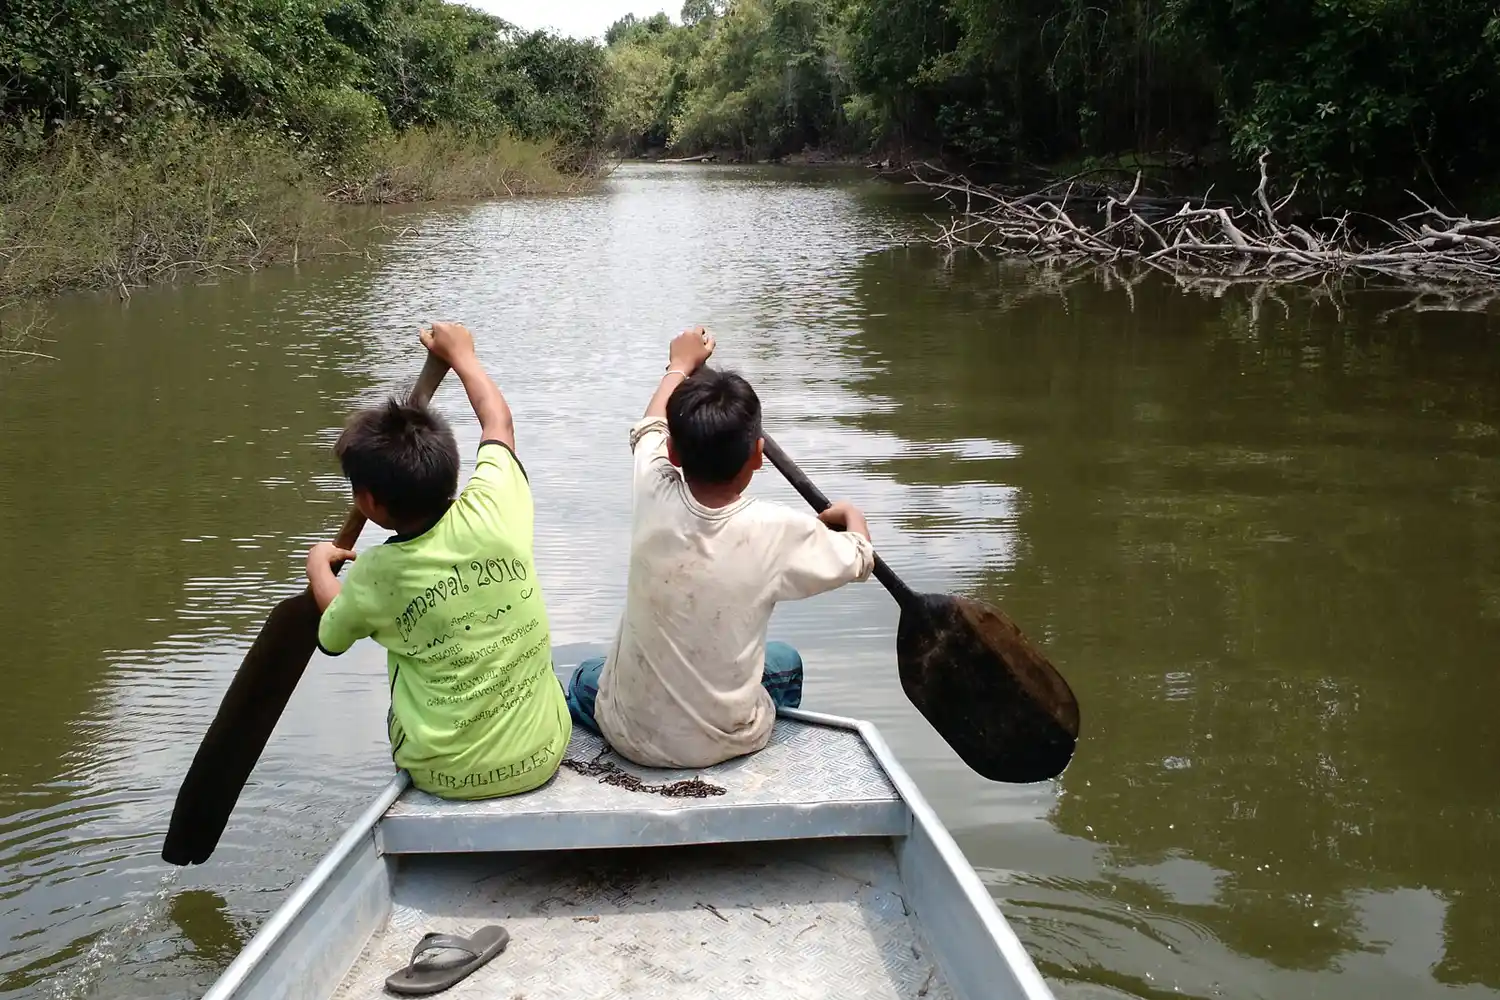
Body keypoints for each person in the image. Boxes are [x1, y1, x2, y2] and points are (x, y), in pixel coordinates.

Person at [565, 327, 875, 768]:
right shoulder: (780, 530)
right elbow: (860, 558)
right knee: (785, 663)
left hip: (628, 734)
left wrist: (678, 366)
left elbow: (647, 429)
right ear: (758, 455)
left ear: (673, 453)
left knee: (585, 677)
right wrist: (850, 517)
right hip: (729, 742)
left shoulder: (654, 487)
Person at [307, 322, 570, 799]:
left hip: (443, 776)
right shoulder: (495, 507)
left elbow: (332, 630)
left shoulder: (374, 574)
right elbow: (498, 423)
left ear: (367, 501)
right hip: (543, 756)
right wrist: (463, 356)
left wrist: (318, 567)